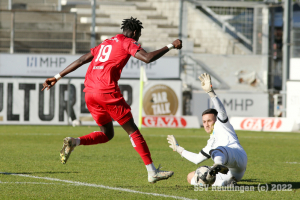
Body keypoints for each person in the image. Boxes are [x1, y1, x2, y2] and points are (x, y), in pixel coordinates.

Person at [41, 17, 182, 183]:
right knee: (133, 131)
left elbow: (81, 60)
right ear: (135, 33)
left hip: (90, 93)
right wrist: (171, 45)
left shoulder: (107, 42)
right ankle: (152, 172)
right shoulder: (127, 42)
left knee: (107, 133)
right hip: (106, 91)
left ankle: (75, 142)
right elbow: (148, 58)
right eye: (139, 36)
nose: (138, 40)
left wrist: (57, 77)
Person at [167, 73, 247, 186]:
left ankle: (217, 165)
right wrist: (179, 149)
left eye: (209, 121)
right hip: (234, 173)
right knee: (191, 177)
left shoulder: (222, 124)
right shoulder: (210, 142)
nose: (206, 124)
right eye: (204, 122)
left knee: (216, 150)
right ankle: (227, 183)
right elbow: (197, 159)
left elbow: (221, 110)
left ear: (216, 119)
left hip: (237, 156)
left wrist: (211, 93)